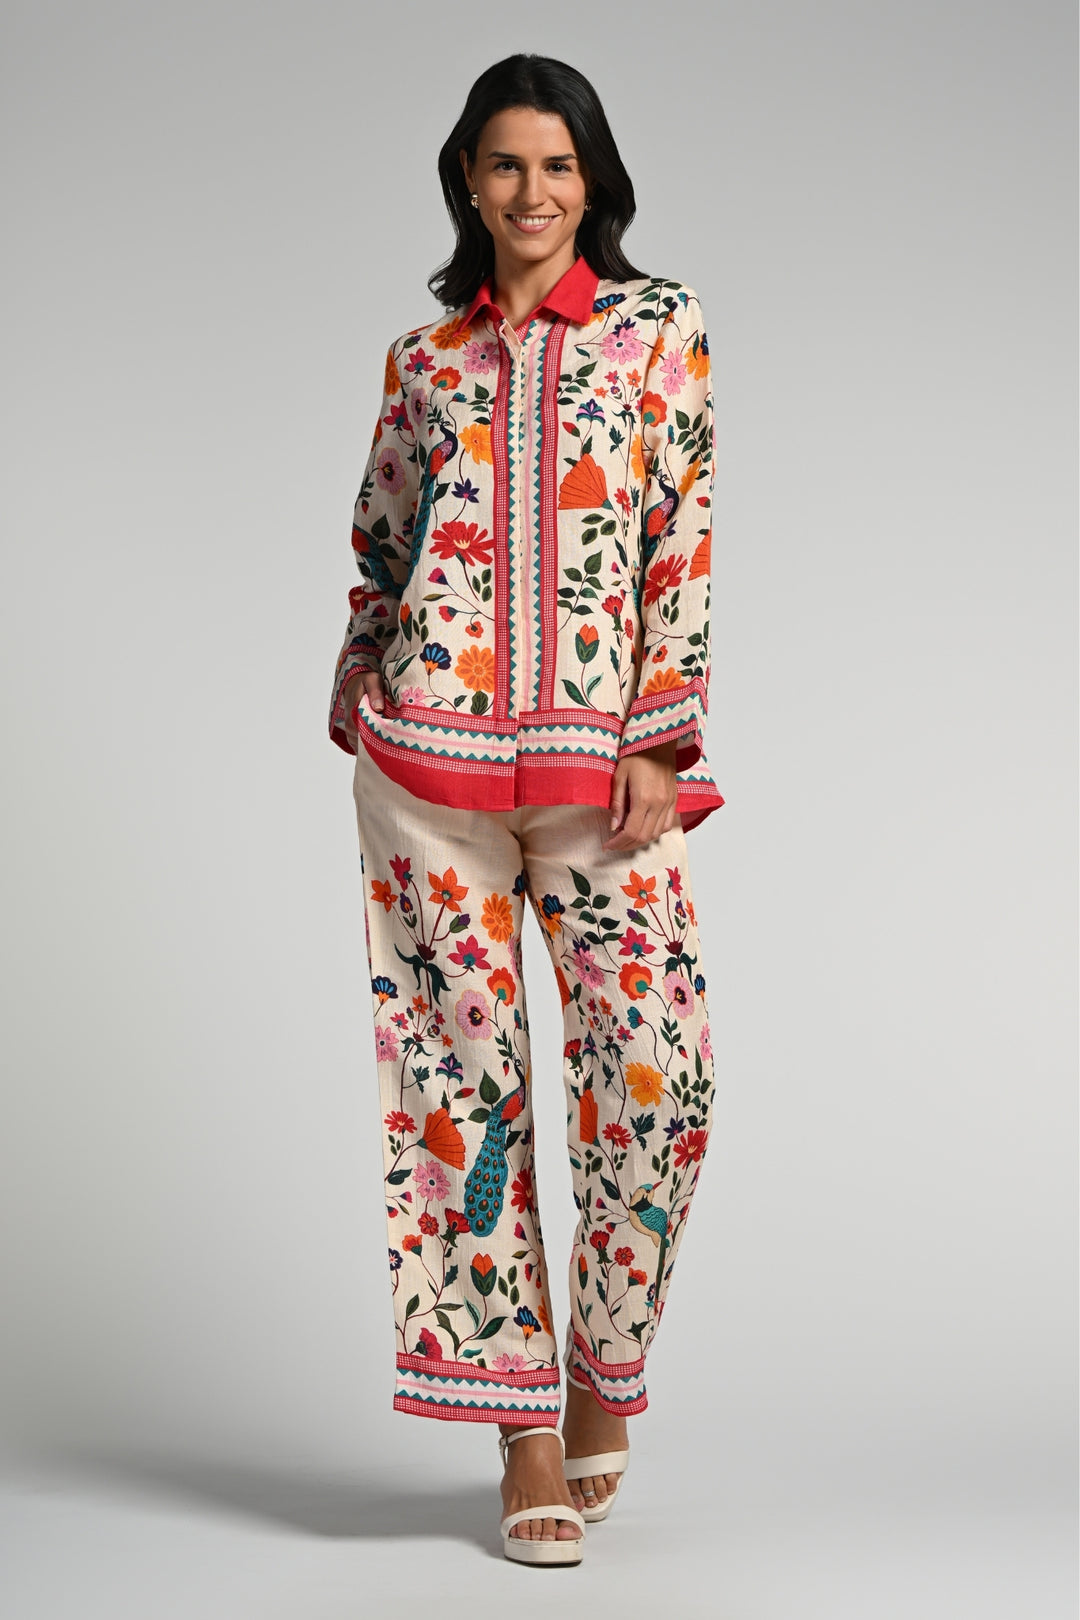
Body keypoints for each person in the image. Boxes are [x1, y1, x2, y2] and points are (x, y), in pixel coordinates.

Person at [328, 53, 724, 1567]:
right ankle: (523, 1432)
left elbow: (682, 528)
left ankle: (600, 1365)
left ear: (593, 179)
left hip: (603, 773)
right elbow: (381, 541)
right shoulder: (422, 359)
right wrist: (363, 680)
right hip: (427, 769)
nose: (533, 192)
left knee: (660, 1077)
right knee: (460, 1092)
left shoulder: (659, 329)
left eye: (558, 166)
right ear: (468, 182)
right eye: (506, 165)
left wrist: (662, 730)